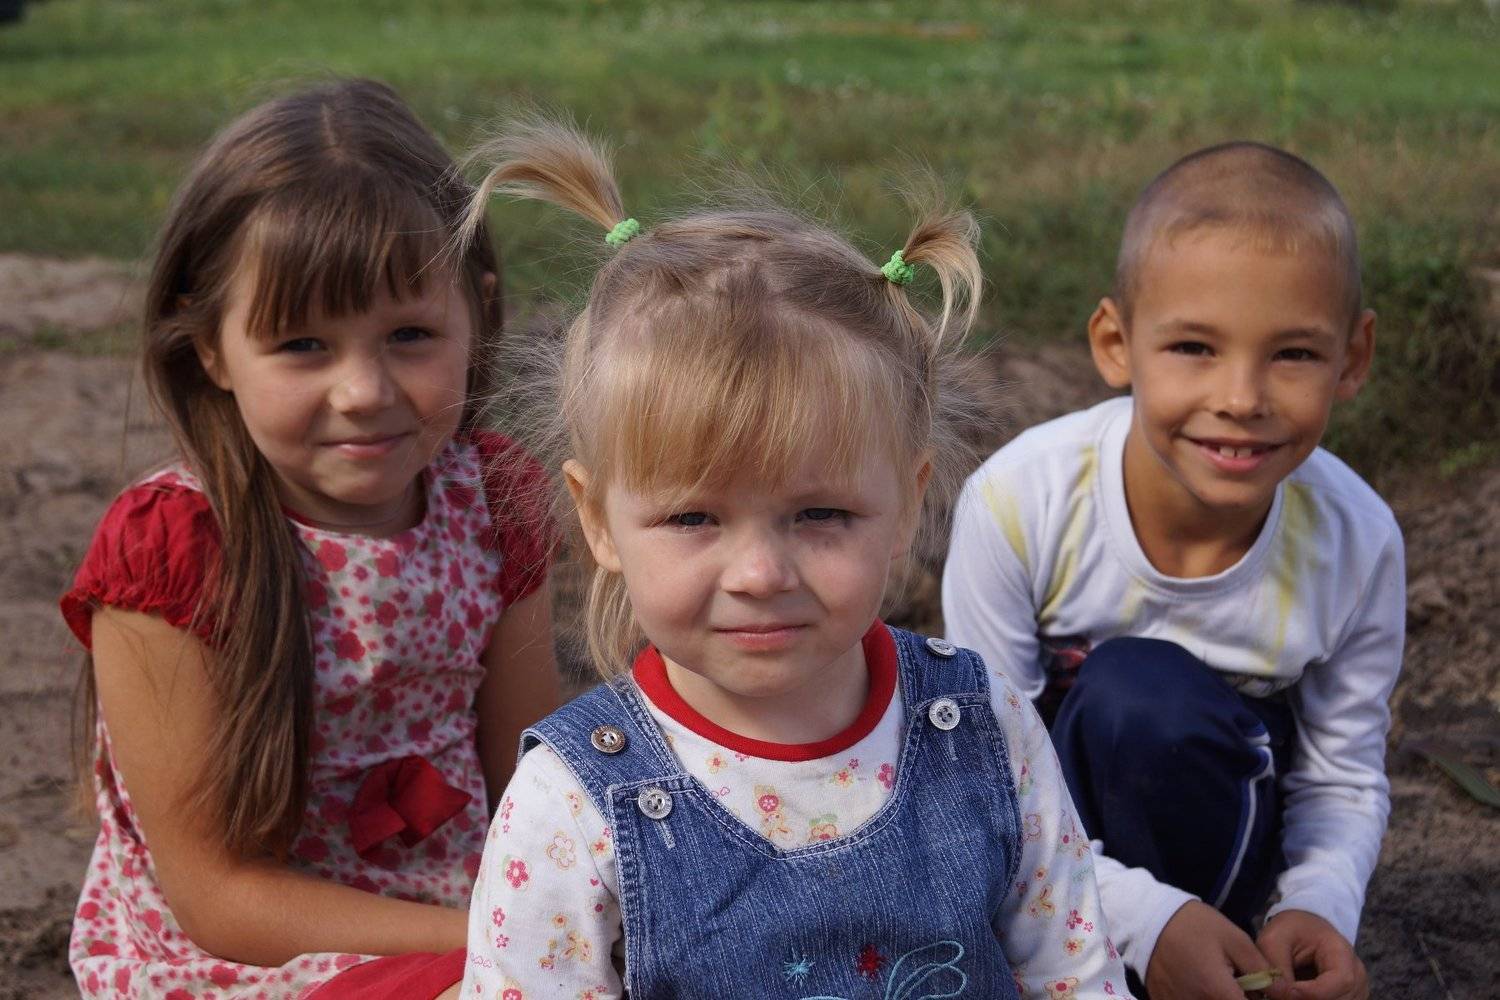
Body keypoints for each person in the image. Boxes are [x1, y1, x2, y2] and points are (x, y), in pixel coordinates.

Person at [452, 118, 1134, 1000]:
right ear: (599, 521)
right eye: (693, 518)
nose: (760, 574)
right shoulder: (572, 806)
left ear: (907, 505)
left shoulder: (982, 729)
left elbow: (1073, 975)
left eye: (820, 515)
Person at [58, 79, 561, 999]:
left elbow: (527, 787)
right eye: (302, 346)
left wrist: (560, 921)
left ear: (478, 311)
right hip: (248, 966)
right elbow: (219, 898)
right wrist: (502, 940)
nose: (364, 391)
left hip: (475, 926)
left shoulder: (494, 502)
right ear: (210, 346)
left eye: (410, 334)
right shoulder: (174, 552)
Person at [942, 142, 1400, 1000]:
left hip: (1230, 845)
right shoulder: (1017, 502)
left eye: (1294, 355)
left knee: (1144, 702)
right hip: (1046, 839)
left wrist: (1320, 907)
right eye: (1194, 346)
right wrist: (1143, 920)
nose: (1241, 397)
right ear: (1117, 344)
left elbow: (1341, 774)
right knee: (1123, 696)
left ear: (1353, 356)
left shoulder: (1357, 540)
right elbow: (984, 770)